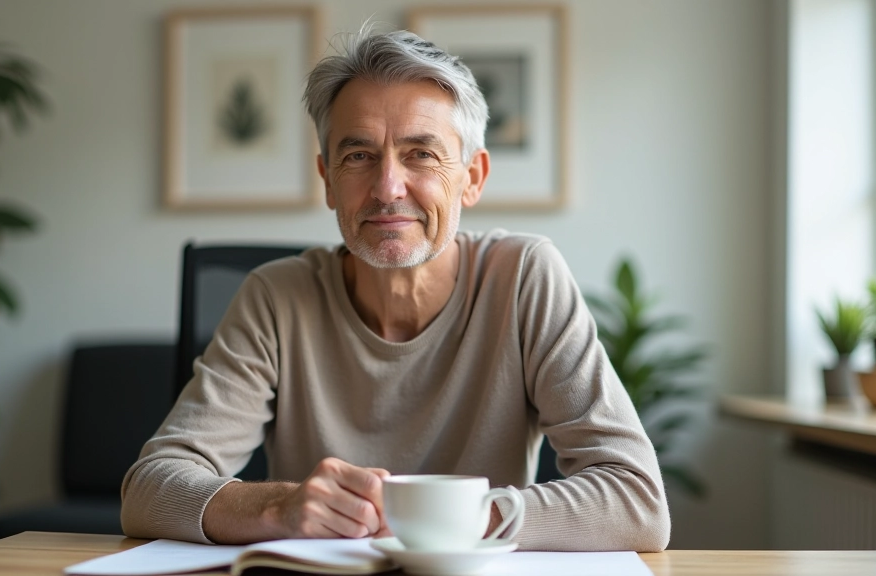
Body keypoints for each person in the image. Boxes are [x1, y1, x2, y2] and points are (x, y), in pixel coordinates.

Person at [121, 27, 670, 552]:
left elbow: (638, 501)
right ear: (328, 180)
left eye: (421, 154)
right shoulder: (275, 296)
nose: (387, 188)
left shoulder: (525, 276)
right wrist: (279, 507)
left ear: (473, 178)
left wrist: (449, 519)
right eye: (358, 156)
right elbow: (149, 490)